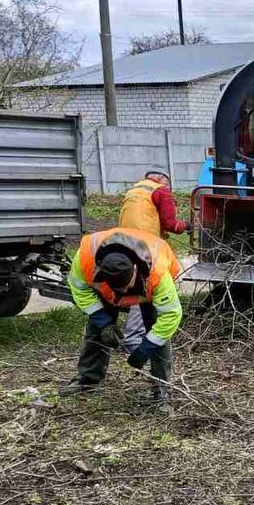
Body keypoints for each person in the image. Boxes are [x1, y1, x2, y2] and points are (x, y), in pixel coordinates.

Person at [59, 226, 183, 413]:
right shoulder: (86, 258)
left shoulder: (158, 273)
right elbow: (79, 288)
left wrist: (146, 347)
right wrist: (103, 320)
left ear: (134, 269)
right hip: (105, 291)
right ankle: (87, 380)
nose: (123, 294)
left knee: (159, 336)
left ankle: (161, 391)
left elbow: (171, 314)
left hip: (148, 287)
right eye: (119, 289)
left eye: (126, 286)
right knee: (96, 330)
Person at [117, 170, 186, 352]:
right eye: (168, 184)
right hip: (145, 246)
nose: (168, 188)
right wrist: (186, 226)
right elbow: (171, 224)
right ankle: (132, 338)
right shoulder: (161, 191)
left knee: (130, 285)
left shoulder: (134, 190)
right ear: (162, 180)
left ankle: (127, 333)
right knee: (146, 287)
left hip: (123, 243)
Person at [119, 170, 187, 238]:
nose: (167, 187)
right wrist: (185, 225)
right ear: (160, 177)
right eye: (166, 184)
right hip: (146, 239)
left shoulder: (132, 189)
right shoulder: (161, 190)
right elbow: (169, 224)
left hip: (124, 237)